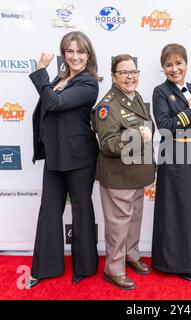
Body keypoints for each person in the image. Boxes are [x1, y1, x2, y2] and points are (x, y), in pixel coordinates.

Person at [25, 31, 101, 289]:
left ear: (88, 55)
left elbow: (55, 103)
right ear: (64, 53)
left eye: (80, 52)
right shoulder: (60, 78)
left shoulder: (89, 83)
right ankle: (45, 267)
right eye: (70, 51)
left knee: (81, 209)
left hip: (80, 156)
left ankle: (85, 267)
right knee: (48, 210)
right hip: (55, 155)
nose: (75, 56)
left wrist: (40, 71)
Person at [92, 54, 155, 290]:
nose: (130, 77)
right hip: (119, 176)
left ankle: (131, 254)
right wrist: (139, 136)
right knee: (118, 225)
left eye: (134, 72)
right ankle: (114, 269)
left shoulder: (134, 95)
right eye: (124, 72)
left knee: (134, 220)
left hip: (137, 174)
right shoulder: (107, 106)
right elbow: (108, 144)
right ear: (113, 75)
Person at [151, 43, 191, 281]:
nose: (174, 69)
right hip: (173, 157)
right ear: (163, 68)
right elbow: (165, 127)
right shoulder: (160, 91)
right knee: (174, 210)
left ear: (186, 63)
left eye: (179, 63)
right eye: (169, 64)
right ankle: (171, 263)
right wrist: (190, 111)